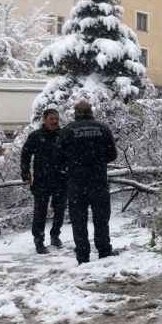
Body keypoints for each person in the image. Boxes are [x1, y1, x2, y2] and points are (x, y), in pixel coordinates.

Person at [59, 100, 118, 264]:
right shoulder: (103, 128)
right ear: (91, 111)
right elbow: (112, 154)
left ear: (75, 112)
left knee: (79, 220)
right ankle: (104, 250)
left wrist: (73, 165)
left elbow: (58, 157)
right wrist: (97, 161)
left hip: (76, 183)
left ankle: (82, 255)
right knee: (101, 218)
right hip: (98, 180)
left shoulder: (67, 130)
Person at [21, 108, 66, 254]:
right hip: (41, 179)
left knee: (60, 210)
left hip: (61, 179)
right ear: (45, 120)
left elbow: (72, 154)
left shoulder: (63, 135)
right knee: (40, 211)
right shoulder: (36, 136)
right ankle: (39, 240)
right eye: (51, 119)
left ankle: (55, 235)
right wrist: (26, 172)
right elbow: (25, 154)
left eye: (56, 119)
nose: (54, 121)